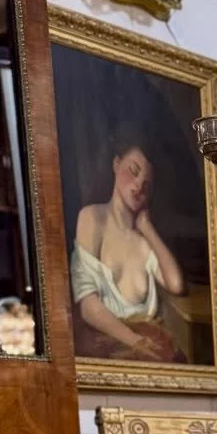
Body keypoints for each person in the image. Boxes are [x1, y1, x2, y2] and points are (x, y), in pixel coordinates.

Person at [71, 136, 186, 363]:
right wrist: (134, 341)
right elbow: (88, 307)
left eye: (147, 184)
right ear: (116, 164)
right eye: (133, 171)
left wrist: (147, 228)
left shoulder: (144, 242)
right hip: (107, 341)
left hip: (146, 340)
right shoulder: (92, 218)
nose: (138, 186)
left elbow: (176, 284)